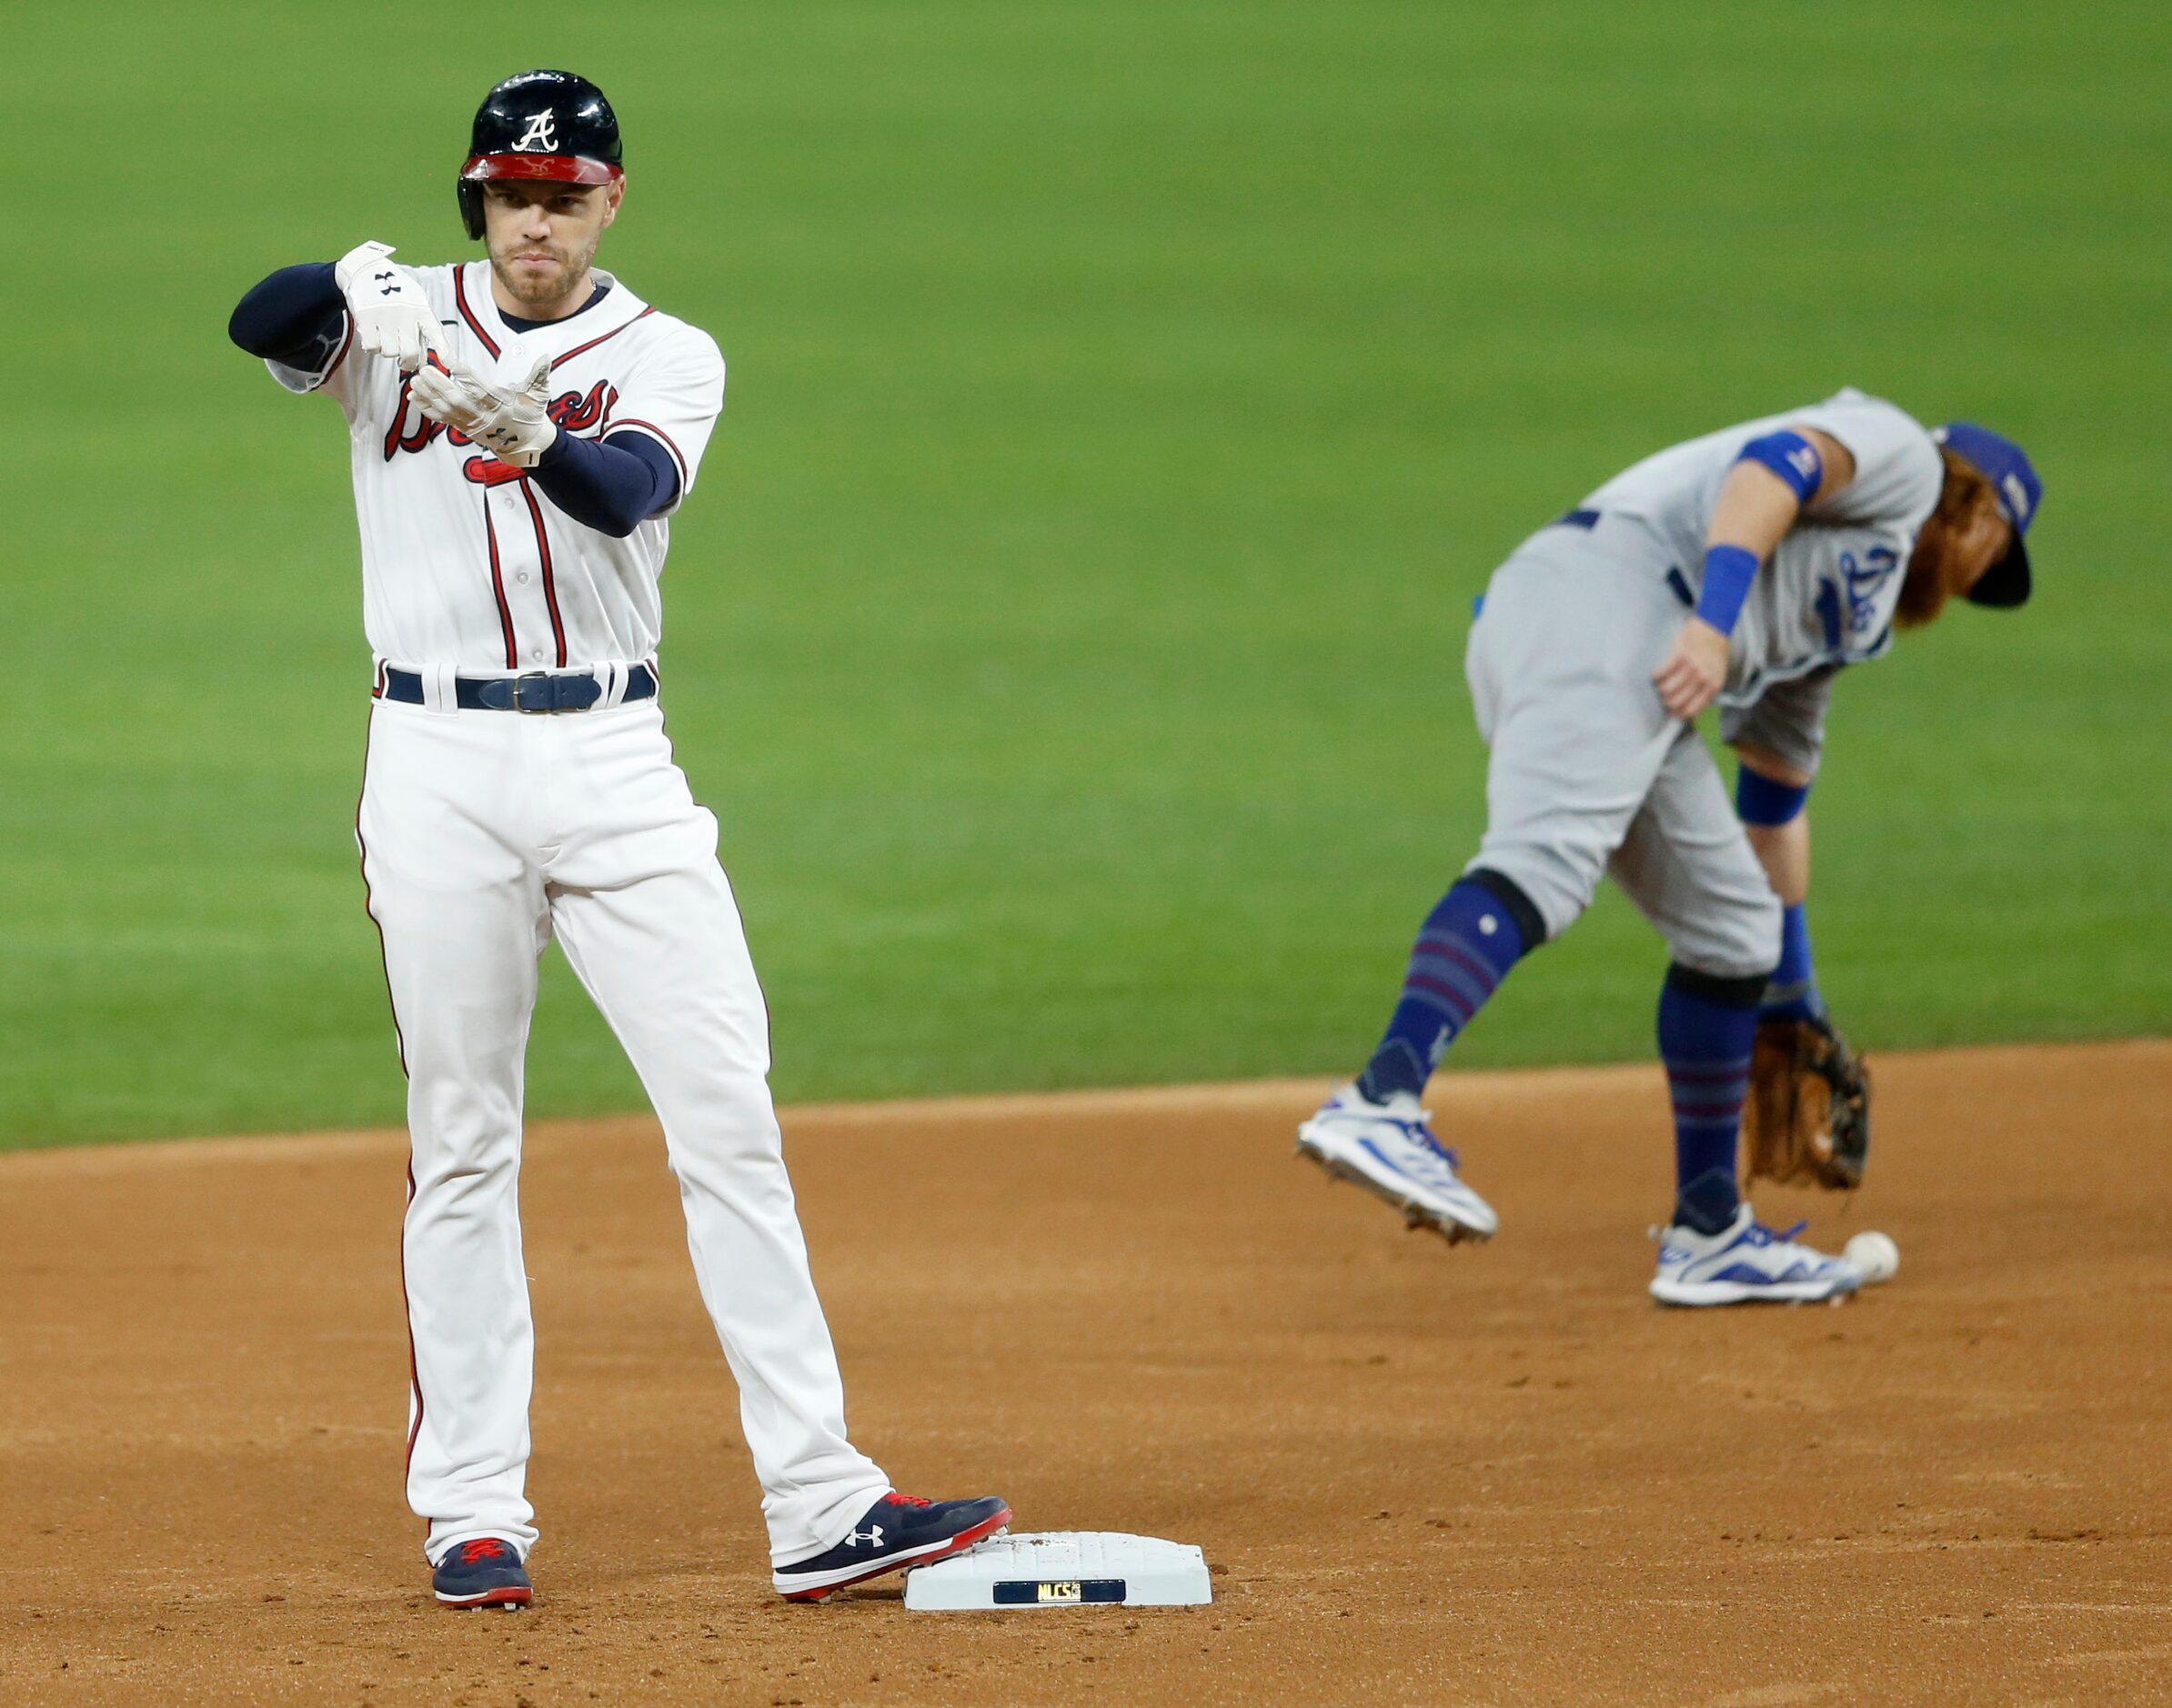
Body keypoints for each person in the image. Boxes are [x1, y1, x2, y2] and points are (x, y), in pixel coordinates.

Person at [227, 68, 1008, 1606]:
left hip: (613, 759)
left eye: (562, 194)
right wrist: (343, 289)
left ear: (608, 199)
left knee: (727, 1115)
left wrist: (526, 431)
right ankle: (471, 1513)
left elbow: (626, 485)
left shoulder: (668, 350)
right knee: (461, 1136)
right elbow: (256, 320)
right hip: (434, 755)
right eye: (510, 195)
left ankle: (818, 1498)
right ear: (480, 198)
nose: (535, 219)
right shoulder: (394, 324)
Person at [1295, 390, 2041, 1305]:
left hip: (1633, 643)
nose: (1977, 581)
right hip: (1611, 598)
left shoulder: (1859, 612)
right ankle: (1381, 1098)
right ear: (1978, 508)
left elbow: (1772, 796)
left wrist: (1791, 996)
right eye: (1993, 553)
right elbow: (1773, 466)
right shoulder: (1903, 456)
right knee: (1545, 864)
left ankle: (1709, 1233)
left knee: (1734, 928)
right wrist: (1714, 623)